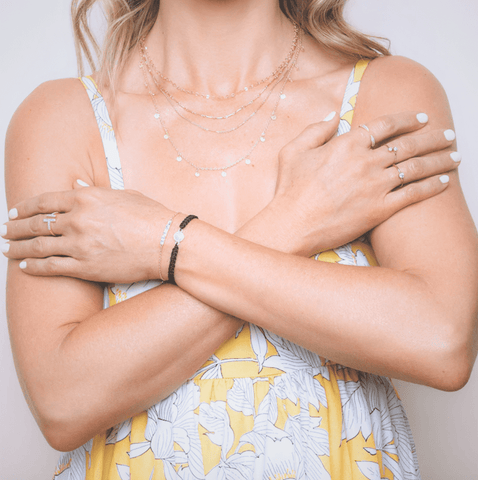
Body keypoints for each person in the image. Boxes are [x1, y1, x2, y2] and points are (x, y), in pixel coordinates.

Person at [3, 0, 478, 478]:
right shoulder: (63, 120)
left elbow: (442, 343)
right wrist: (297, 220)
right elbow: (62, 402)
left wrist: (162, 241)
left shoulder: (386, 94)